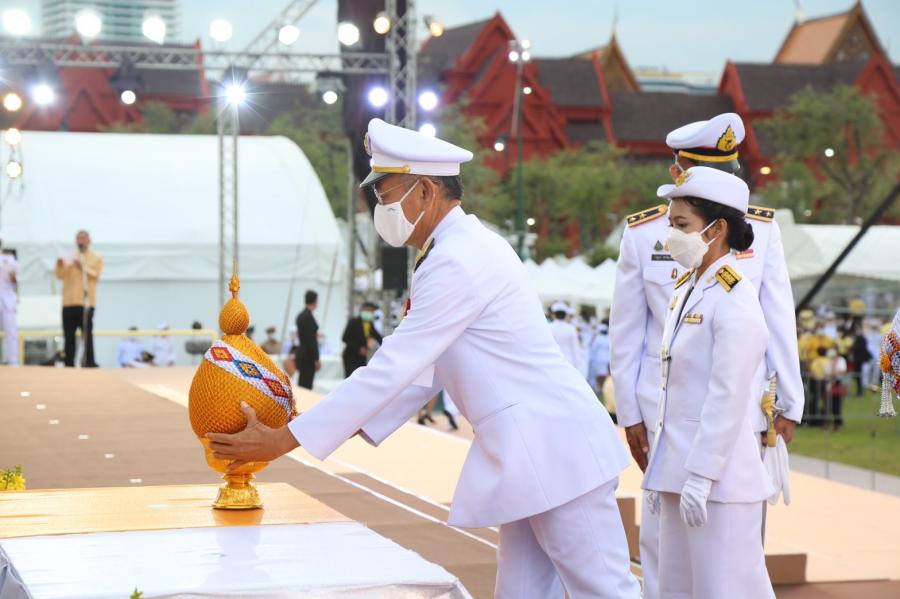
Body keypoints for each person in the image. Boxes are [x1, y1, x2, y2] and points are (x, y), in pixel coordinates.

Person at [208, 118, 640, 599]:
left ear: (426, 191)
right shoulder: (452, 250)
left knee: (604, 590)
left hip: (554, 449)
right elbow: (421, 375)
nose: (381, 209)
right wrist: (307, 427)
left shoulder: (457, 259)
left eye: (387, 195)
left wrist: (286, 439)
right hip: (533, 452)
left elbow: (396, 365)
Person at [609, 113, 803, 599]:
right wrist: (630, 412)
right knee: (666, 559)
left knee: (727, 561)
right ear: (678, 172)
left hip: (733, 414)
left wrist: (788, 403)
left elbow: (778, 318)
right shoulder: (645, 235)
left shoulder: (757, 238)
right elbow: (628, 332)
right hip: (663, 414)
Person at [644, 165, 775, 599]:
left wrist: (702, 475)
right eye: (671, 223)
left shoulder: (735, 297)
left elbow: (728, 396)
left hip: (718, 482)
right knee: (675, 591)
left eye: (682, 225)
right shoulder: (688, 288)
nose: (671, 235)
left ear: (716, 229)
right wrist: (665, 470)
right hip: (677, 473)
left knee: (726, 591)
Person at [55, 230, 103, 367]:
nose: (80, 241)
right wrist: (59, 264)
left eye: (83, 239)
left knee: (86, 335)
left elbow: (96, 275)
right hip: (68, 302)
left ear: (89, 240)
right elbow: (59, 275)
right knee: (68, 335)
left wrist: (82, 267)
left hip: (85, 303)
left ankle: (88, 361)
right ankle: (69, 362)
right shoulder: (70, 257)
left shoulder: (96, 257)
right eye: (78, 239)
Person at [341, 302, 383, 377]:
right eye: (369, 310)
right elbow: (345, 338)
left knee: (361, 377)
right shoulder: (353, 322)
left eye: (372, 311)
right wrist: (359, 348)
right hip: (350, 356)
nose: (370, 313)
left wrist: (386, 344)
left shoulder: (369, 324)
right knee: (350, 377)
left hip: (362, 357)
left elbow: (378, 337)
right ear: (362, 310)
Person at [295, 290, 320, 390]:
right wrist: (316, 358)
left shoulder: (302, 315)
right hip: (307, 357)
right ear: (315, 301)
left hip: (303, 354)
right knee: (306, 385)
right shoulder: (307, 317)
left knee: (303, 383)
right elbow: (311, 340)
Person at [0, 237, 19, 366]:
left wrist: (14, 278)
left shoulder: (9, 259)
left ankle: (13, 361)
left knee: (11, 332)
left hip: (7, 300)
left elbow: (16, 283)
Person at [548, 301, 584, 371]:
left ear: (553, 314)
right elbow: (575, 347)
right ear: (565, 315)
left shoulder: (549, 327)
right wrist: (578, 364)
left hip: (553, 361)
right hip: (569, 361)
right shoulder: (571, 328)